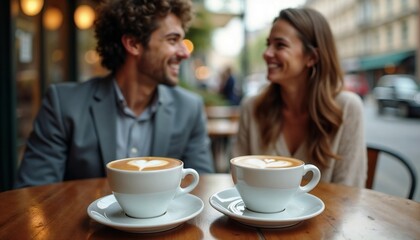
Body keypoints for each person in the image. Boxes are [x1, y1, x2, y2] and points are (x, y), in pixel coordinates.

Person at [15, 0, 215, 188]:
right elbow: (33, 197)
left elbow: (201, 187)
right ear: (133, 44)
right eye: (173, 40)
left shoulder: (189, 108)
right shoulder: (63, 104)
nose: (185, 52)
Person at [233, 8, 367, 187]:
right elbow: (238, 180)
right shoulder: (252, 107)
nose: (267, 53)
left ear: (311, 57)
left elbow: (349, 194)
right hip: (256, 215)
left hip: (330, 215)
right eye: (268, 44)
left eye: (280, 45)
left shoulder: (347, 108)